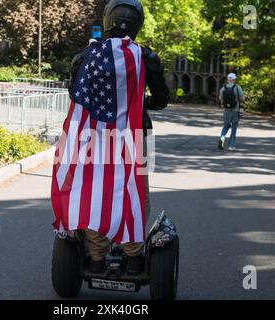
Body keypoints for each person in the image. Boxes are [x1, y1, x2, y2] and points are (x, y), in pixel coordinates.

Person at [64, 0, 169, 275]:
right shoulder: (146, 57)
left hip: (93, 137)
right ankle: (134, 257)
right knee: (135, 191)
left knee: (94, 191)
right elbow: (162, 99)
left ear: (108, 19)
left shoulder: (87, 55)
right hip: (136, 136)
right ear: (138, 23)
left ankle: (96, 257)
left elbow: (74, 94)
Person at [218, 73, 245, 151]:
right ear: (234, 79)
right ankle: (231, 146)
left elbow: (221, 99)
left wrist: (224, 104)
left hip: (226, 110)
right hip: (235, 110)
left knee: (225, 127)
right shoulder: (237, 87)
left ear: (228, 79)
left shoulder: (223, 88)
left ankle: (221, 143)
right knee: (234, 128)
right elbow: (242, 98)